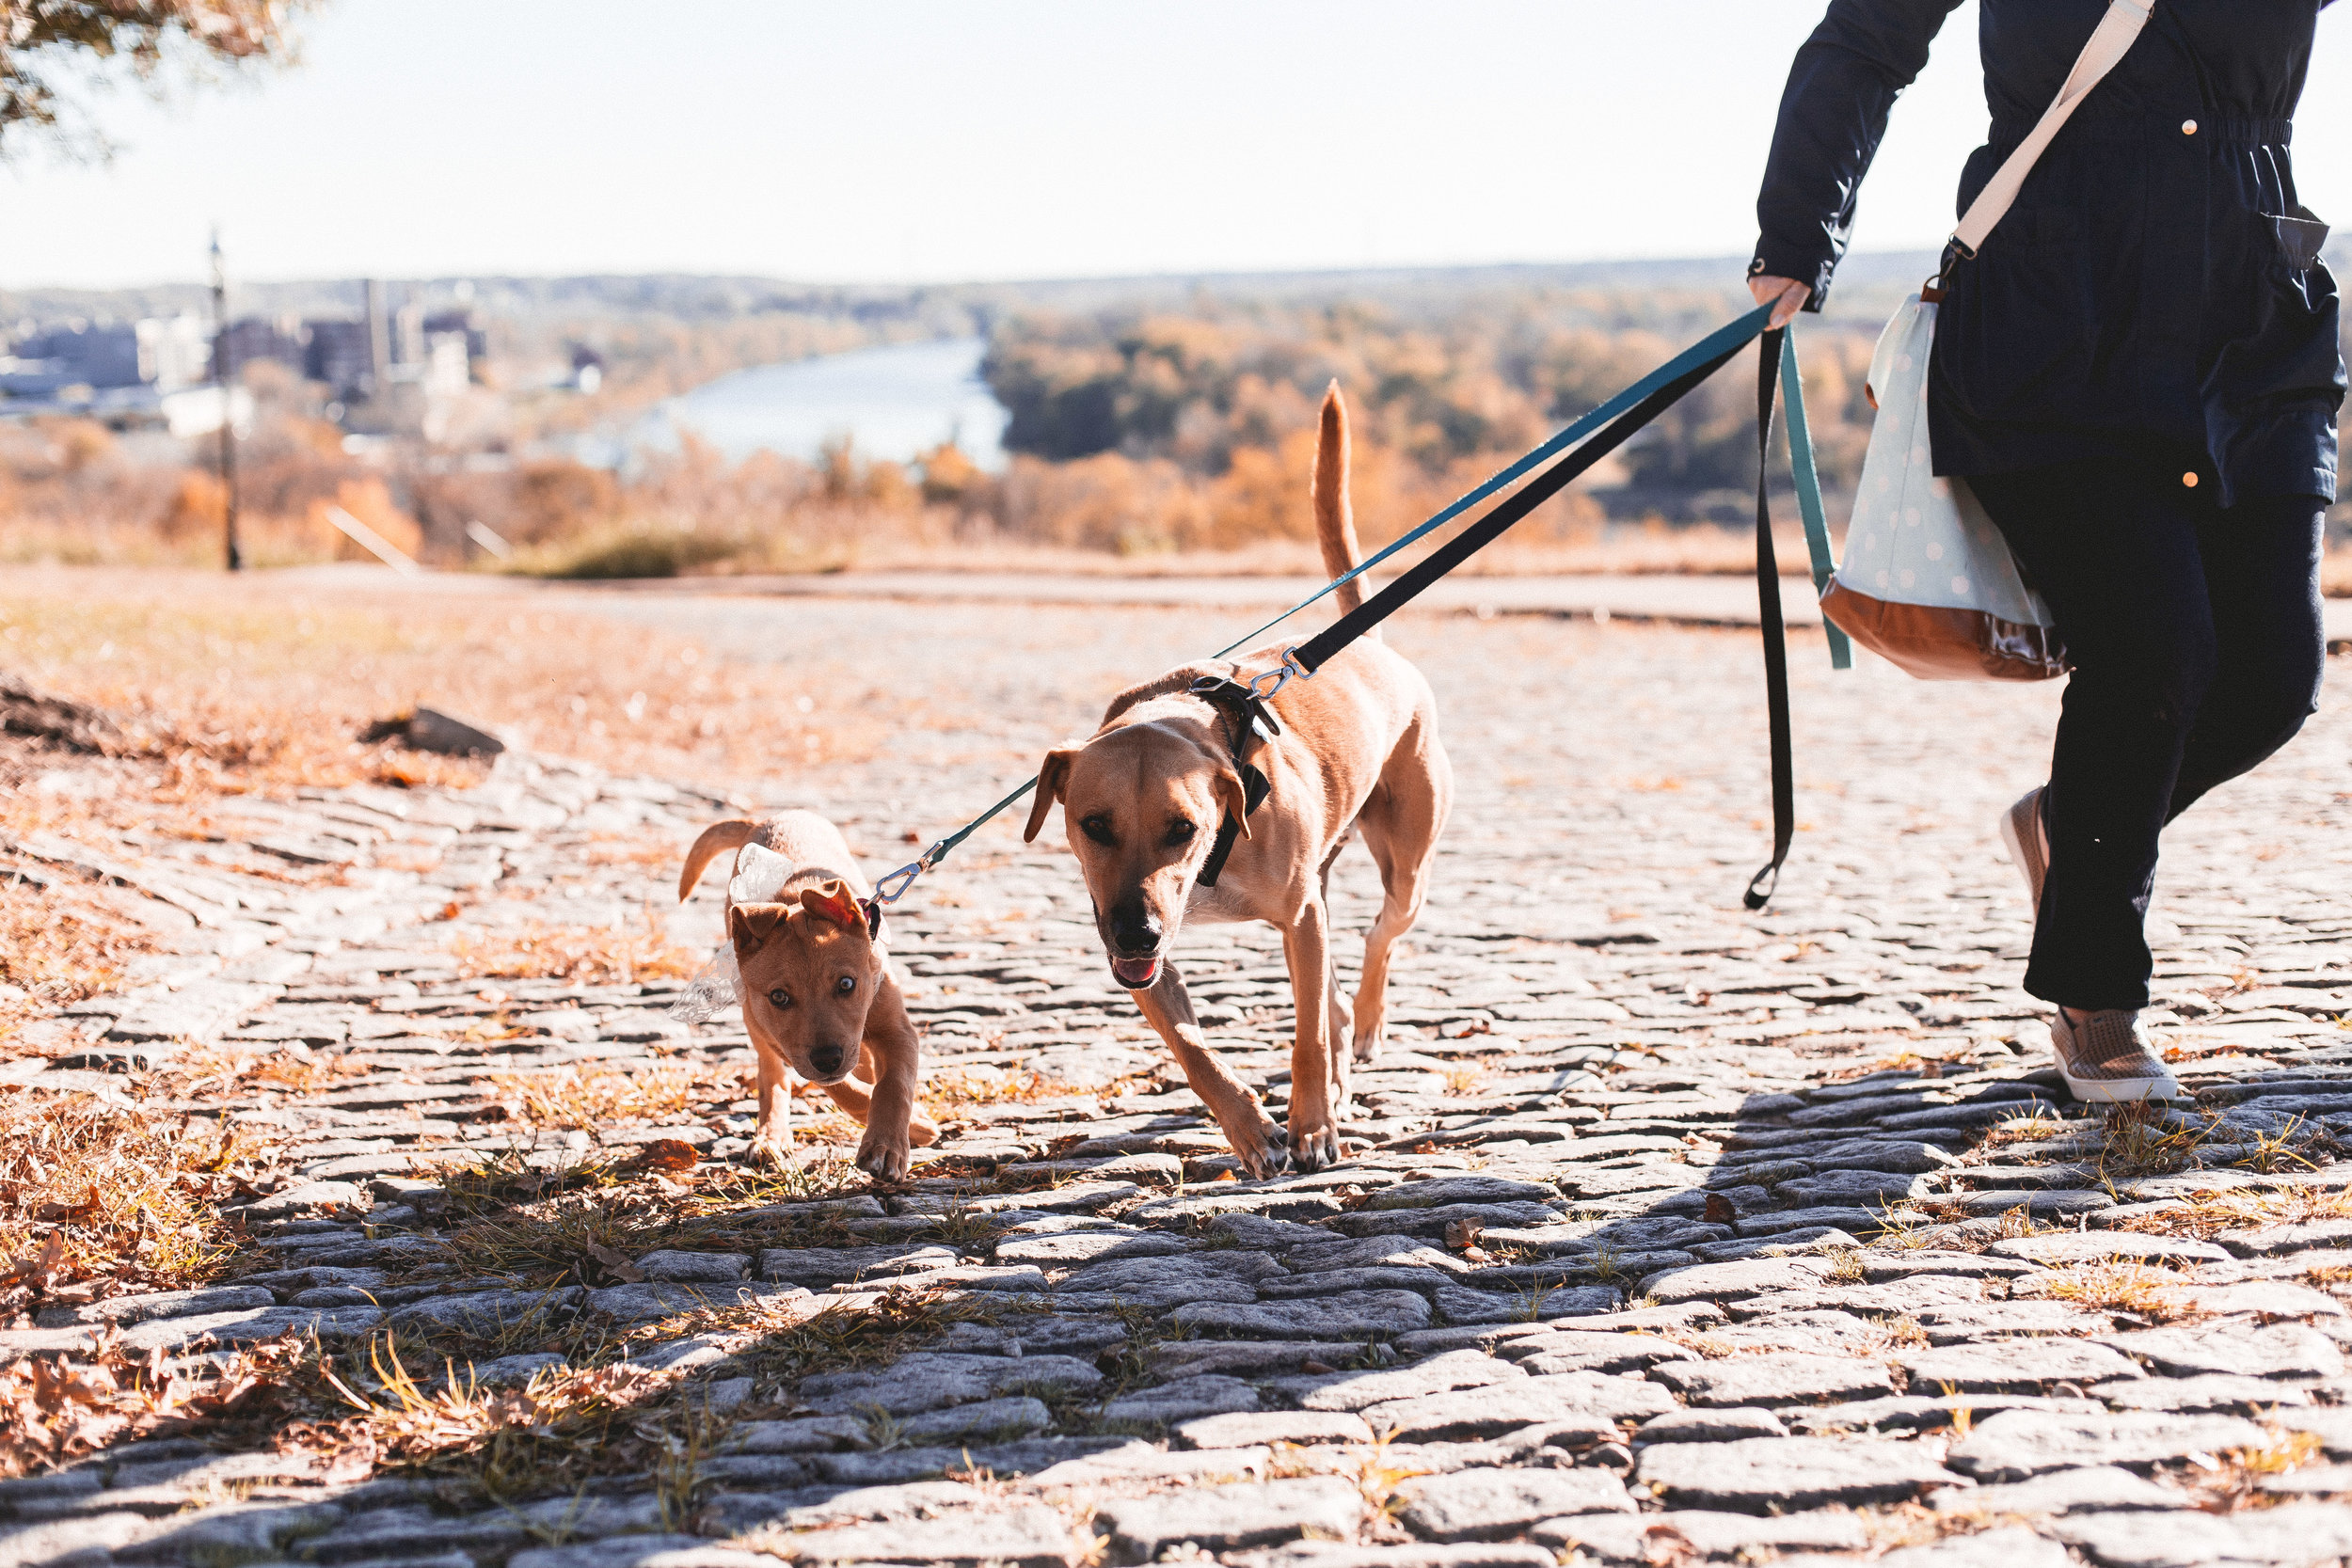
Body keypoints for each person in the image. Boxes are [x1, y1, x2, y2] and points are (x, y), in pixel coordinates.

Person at [1749, 1, 2344, 1103]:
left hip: (2253, 329)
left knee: (2271, 679)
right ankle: (2094, 997)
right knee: (2153, 650)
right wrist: (1795, 236)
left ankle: (2070, 823)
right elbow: (1863, 42)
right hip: (2053, 329)